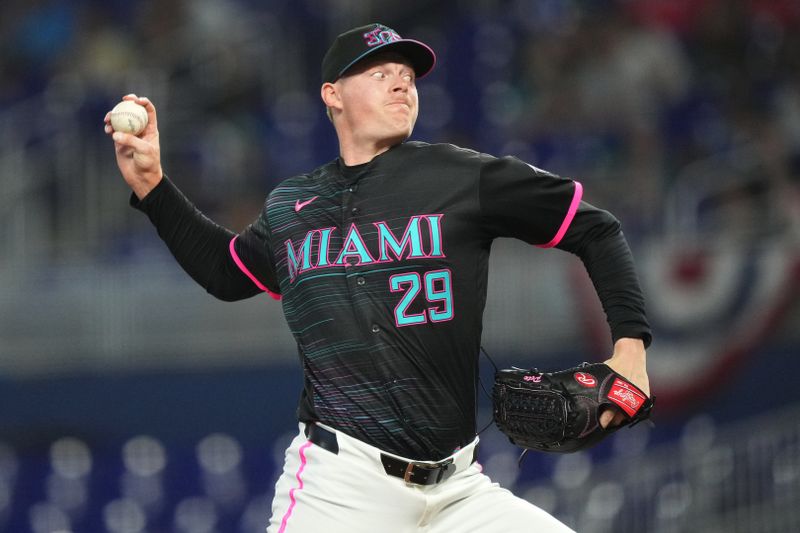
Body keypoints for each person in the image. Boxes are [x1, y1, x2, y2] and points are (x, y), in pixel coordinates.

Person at [106, 23, 651, 533]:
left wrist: (631, 351)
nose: (401, 84)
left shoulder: (462, 177)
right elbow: (227, 271)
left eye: (408, 77)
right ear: (332, 95)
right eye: (379, 72)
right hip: (339, 487)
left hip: (458, 489)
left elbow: (595, 229)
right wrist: (154, 186)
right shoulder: (292, 207)